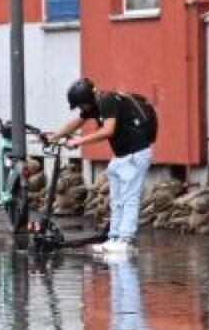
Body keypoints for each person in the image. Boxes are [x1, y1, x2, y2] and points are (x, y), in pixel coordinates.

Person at [48, 76, 160, 257]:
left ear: (87, 100)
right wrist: (56, 135)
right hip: (122, 156)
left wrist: (78, 141)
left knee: (129, 198)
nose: (81, 109)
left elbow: (108, 130)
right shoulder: (96, 105)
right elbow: (77, 122)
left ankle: (125, 240)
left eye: (81, 105)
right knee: (117, 199)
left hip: (135, 155)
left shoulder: (107, 101)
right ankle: (114, 237)